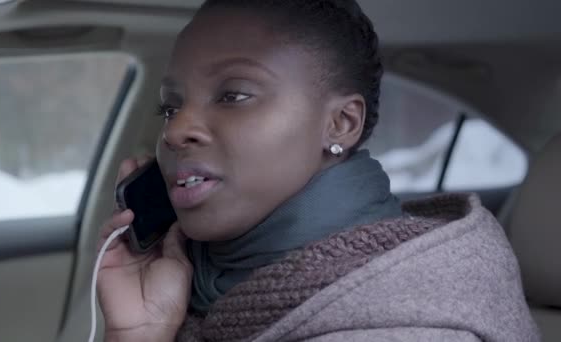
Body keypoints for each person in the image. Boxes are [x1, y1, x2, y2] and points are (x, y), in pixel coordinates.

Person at [97, 1, 539, 341]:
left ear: (341, 124)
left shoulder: (410, 328)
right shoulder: (192, 288)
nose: (176, 130)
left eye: (233, 95)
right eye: (170, 107)